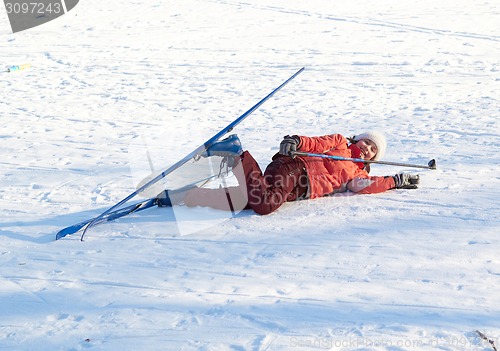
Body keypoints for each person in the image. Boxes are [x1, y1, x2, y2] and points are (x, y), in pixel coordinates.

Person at [156, 131, 420, 215]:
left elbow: (364, 186)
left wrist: (394, 182)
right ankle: (237, 155)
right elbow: (316, 143)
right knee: (265, 205)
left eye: (372, 150)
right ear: (359, 139)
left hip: (297, 190)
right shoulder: (340, 143)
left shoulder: (356, 173)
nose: (366, 149)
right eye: (366, 143)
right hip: (294, 167)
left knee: (242, 200)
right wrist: (296, 141)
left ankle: (184, 197)